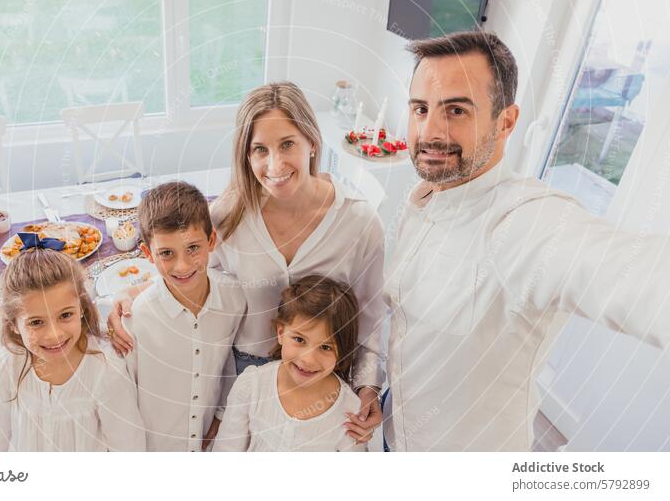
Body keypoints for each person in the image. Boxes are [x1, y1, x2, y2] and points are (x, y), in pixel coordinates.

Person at [383, 30, 670, 451]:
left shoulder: (525, 223)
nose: (429, 131)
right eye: (420, 109)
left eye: (457, 110)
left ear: (507, 122)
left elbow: (633, 277)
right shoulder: (424, 198)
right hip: (396, 432)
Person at [109, 82, 386, 443]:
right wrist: (135, 292)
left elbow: (372, 319)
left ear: (312, 142)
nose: (274, 165)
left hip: (322, 377)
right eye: (260, 150)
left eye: (287, 144)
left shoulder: (360, 222)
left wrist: (367, 388)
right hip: (243, 375)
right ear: (246, 155)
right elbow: (195, 273)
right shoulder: (227, 215)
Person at [0, 241, 145, 451]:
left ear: (82, 309)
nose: (54, 334)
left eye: (65, 315)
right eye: (36, 322)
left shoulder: (105, 369)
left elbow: (129, 448)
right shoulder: (6, 365)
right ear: (13, 324)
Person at [120, 182, 246, 451]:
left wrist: (221, 416)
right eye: (166, 253)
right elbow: (122, 400)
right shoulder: (136, 319)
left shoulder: (235, 299)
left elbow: (229, 366)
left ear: (211, 241)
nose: (183, 265)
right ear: (148, 255)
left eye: (192, 248)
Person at [214, 275, 366, 451]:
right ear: (280, 333)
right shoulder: (251, 386)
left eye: (325, 347)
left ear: (343, 350)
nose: (308, 359)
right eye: (299, 339)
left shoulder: (351, 411)